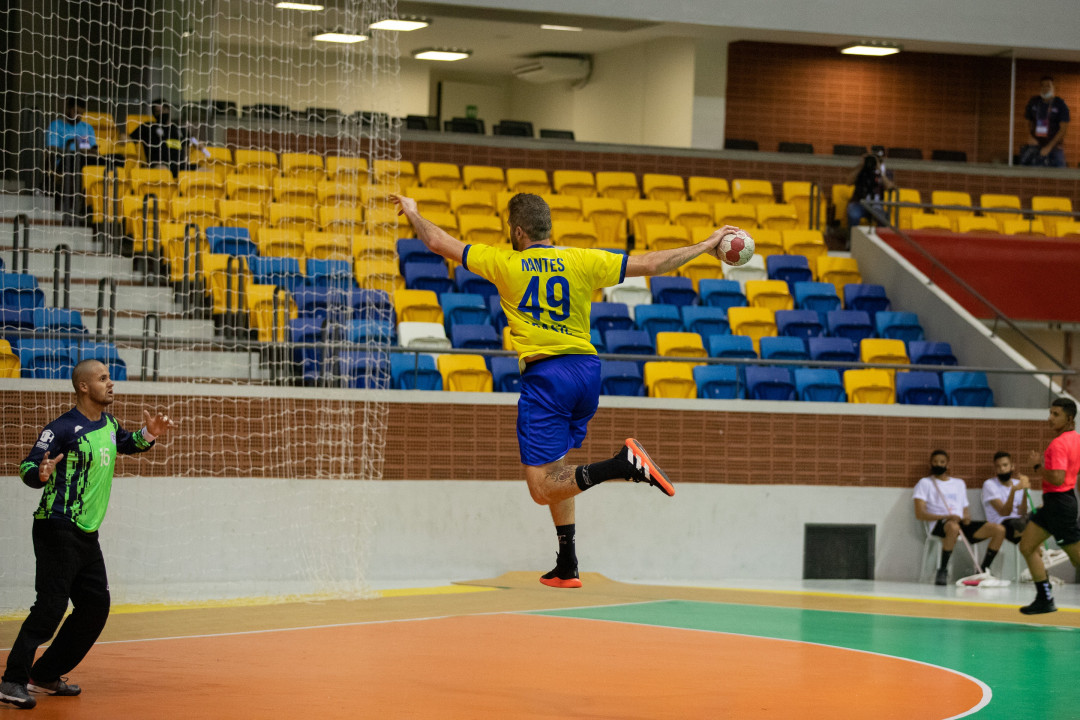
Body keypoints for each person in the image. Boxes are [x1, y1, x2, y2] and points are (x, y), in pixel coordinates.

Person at [391, 191, 743, 589]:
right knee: (559, 470)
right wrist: (707, 245)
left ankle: (623, 465)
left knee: (542, 489)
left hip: (547, 377)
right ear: (550, 229)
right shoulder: (582, 259)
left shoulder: (505, 262)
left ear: (517, 231)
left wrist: (414, 212)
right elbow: (651, 263)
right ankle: (567, 562)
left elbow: (437, 242)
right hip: (588, 372)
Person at [0, 360, 176, 710]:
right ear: (83, 387)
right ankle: (11, 681)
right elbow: (27, 466)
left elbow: (127, 443)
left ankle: (45, 674)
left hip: (85, 533)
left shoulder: (108, 424)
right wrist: (42, 472)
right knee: (51, 607)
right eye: (103, 379)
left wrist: (150, 433)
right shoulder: (62, 428)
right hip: (56, 525)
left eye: (109, 378)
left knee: (95, 607)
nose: (111, 384)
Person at [1017, 398, 1080, 615]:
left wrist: (1037, 467)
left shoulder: (1058, 444)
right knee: (1026, 546)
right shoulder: (1076, 440)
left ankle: (1045, 597)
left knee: (1077, 558)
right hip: (1059, 502)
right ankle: (1045, 598)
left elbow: (1057, 478)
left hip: (1060, 504)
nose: (1050, 418)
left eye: (1056, 414)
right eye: (1050, 413)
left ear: (1069, 418)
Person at [913, 450, 1006, 586]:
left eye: (942, 462)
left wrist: (966, 517)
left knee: (999, 530)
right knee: (953, 527)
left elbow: (965, 510)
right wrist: (947, 516)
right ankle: (943, 570)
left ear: (947, 464)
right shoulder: (924, 483)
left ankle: (982, 570)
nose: (939, 464)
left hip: (959, 522)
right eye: (935, 462)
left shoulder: (959, 483)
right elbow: (919, 514)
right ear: (930, 464)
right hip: (940, 524)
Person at [45, 97, 98, 225]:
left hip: (83, 162)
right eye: (75, 112)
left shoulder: (87, 128)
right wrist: (74, 152)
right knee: (74, 159)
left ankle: (88, 206)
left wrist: (86, 152)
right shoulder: (56, 125)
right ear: (68, 110)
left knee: (112, 159)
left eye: (81, 113)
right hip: (63, 163)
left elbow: (93, 151)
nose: (78, 116)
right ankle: (74, 207)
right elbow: (52, 148)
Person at [129, 98, 192, 178]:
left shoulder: (180, 129)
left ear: (168, 110)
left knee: (204, 170)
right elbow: (129, 138)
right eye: (157, 112)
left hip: (180, 166)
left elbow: (191, 143)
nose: (161, 113)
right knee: (164, 171)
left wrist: (199, 144)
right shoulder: (148, 127)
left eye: (164, 110)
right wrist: (123, 137)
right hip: (159, 165)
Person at [981, 450, 1030, 546]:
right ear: (995, 469)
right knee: (1029, 527)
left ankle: (1044, 553)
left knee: (1040, 515)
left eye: (1005, 465)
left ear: (1012, 466)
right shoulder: (989, 484)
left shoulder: (1018, 483)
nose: (1002, 469)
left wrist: (1025, 491)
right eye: (998, 466)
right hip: (1002, 523)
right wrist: (1013, 491)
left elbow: (1022, 512)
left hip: (1019, 522)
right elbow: (1004, 513)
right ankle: (1043, 553)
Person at [845, 150, 895, 243]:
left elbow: (890, 187)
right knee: (853, 215)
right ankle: (851, 241)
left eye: (877, 159)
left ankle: (882, 243)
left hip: (876, 205)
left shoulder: (885, 172)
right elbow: (848, 182)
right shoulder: (861, 170)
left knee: (883, 218)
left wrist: (880, 172)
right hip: (859, 203)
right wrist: (861, 165)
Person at [1021, 76, 1069, 168]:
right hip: (1036, 146)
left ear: (1053, 87)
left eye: (1048, 86)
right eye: (1043, 86)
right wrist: (1030, 136)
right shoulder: (1034, 102)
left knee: (1060, 173)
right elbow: (1027, 121)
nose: (1045, 88)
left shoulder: (1060, 104)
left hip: (1054, 147)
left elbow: (1063, 129)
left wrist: (1049, 147)